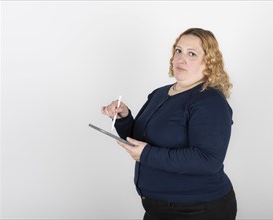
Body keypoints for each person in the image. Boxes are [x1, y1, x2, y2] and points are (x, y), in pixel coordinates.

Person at [101, 28, 237, 220]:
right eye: (178, 51)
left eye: (192, 54)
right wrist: (123, 118)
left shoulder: (210, 101)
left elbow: (208, 160)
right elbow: (142, 141)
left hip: (197, 210)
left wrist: (147, 154)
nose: (181, 58)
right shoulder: (159, 94)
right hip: (157, 208)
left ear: (209, 63)